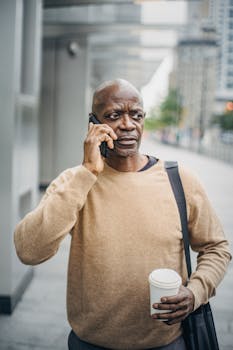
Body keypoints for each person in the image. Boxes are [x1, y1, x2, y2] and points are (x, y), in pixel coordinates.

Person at [14, 79, 231, 350]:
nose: (128, 124)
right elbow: (29, 250)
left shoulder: (180, 179)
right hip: (90, 344)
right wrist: (87, 172)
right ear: (93, 123)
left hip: (167, 343)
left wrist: (195, 292)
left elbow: (216, 248)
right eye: (114, 115)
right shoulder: (75, 181)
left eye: (136, 115)